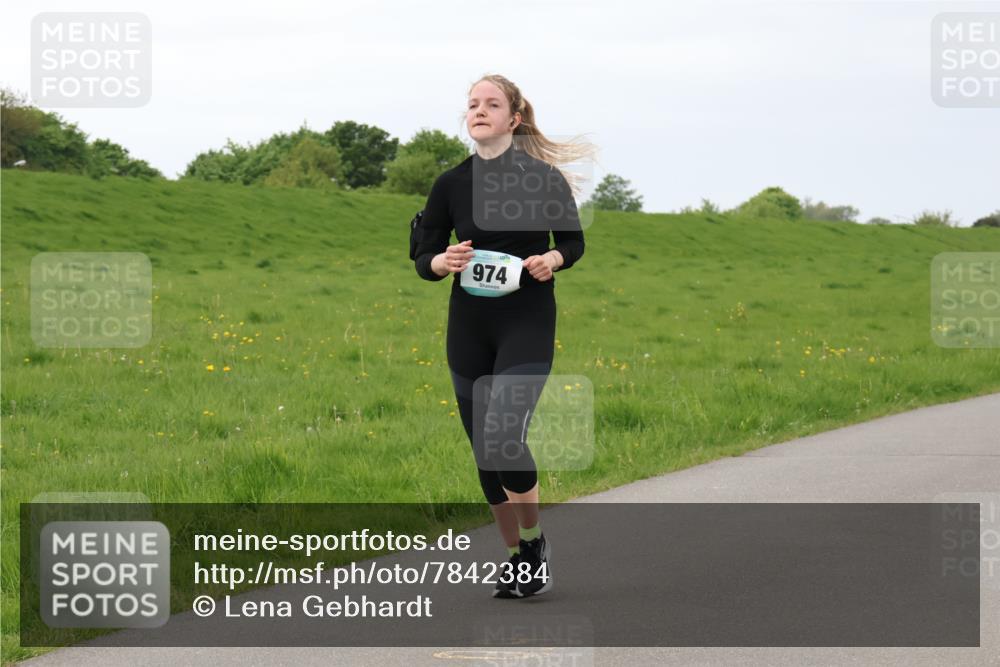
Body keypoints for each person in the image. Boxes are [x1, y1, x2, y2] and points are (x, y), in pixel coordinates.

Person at [413, 73, 596, 598]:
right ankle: (517, 557)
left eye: (491, 103)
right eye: (471, 104)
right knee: (484, 450)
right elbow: (423, 257)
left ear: (513, 119)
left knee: (504, 434)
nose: (478, 110)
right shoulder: (450, 183)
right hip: (469, 325)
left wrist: (552, 259)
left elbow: (574, 242)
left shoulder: (543, 179)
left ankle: (534, 542)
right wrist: (441, 261)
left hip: (527, 319)